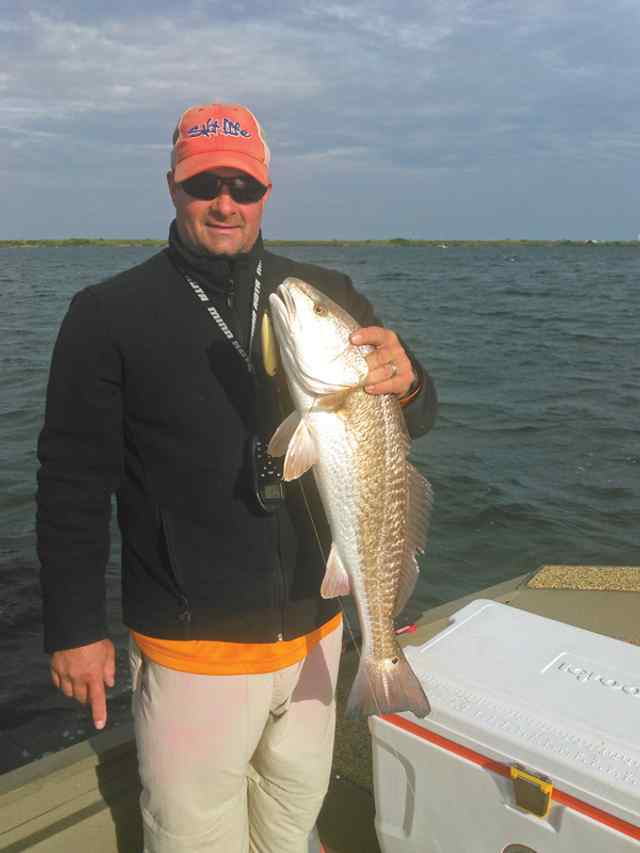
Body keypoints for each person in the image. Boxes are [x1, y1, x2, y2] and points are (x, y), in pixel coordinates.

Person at [36, 103, 438, 853]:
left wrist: (410, 381)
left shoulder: (324, 291)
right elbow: (71, 482)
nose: (225, 203)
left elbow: (411, 418)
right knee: (193, 839)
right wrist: (74, 627)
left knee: (291, 823)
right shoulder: (106, 314)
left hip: (317, 634)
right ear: (172, 186)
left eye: (244, 186)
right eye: (205, 185)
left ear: (266, 192)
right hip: (195, 649)